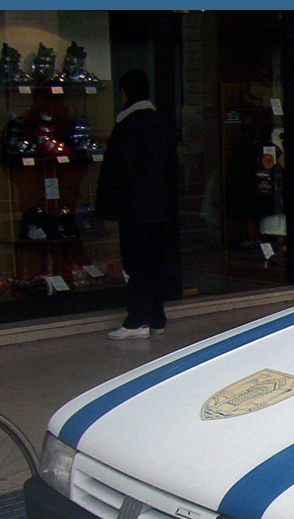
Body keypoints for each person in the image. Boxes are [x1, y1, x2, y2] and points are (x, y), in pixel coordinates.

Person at [96, 69, 177, 340]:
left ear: (124, 94)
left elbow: (122, 169)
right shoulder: (161, 123)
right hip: (159, 208)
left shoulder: (128, 126)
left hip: (133, 209)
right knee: (156, 263)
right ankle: (157, 318)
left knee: (136, 265)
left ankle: (136, 321)